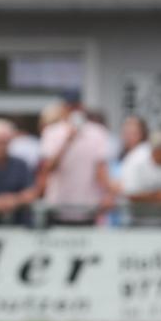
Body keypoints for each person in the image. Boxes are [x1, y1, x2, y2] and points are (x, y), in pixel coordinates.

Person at [38, 92, 116, 224]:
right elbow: (48, 168)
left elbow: (101, 170)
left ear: (82, 108)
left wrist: (109, 195)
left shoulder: (98, 132)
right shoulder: (51, 132)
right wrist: (67, 141)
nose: (73, 110)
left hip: (88, 207)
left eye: (76, 106)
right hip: (58, 206)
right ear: (63, 108)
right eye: (70, 107)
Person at [118, 129, 161, 226]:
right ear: (158, 150)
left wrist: (148, 196)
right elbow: (132, 195)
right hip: (134, 220)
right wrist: (160, 196)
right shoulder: (135, 159)